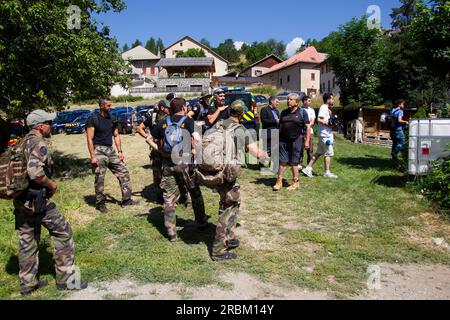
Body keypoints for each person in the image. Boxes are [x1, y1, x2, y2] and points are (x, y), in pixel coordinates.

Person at [14, 110, 87, 296]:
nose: (51, 126)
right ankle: (67, 281)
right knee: (63, 232)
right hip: (37, 199)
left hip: (21, 199)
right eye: (48, 122)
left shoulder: (22, 142)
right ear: (40, 126)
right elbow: (35, 173)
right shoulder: (38, 143)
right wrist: (52, 184)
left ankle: (27, 284)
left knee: (28, 239)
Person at [200, 100, 268, 261]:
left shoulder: (218, 125)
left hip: (215, 170)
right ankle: (218, 250)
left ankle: (229, 238)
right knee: (228, 207)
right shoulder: (240, 129)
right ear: (242, 114)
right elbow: (256, 153)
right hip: (227, 174)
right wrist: (266, 155)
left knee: (231, 202)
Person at [146, 98, 208, 242]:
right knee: (195, 192)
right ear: (184, 108)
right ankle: (201, 222)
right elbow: (197, 140)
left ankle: (171, 232)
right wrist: (194, 152)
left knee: (169, 198)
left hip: (167, 164)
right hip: (185, 162)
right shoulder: (188, 121)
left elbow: (148, 139)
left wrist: (161, 152)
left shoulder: (163, 122)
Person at [86, 97, 138, 213]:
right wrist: (93, 156)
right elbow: (89, 139)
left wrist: (120, 152)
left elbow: (116, 135)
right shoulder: (93, 119)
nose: (110, 107)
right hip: (98, 150)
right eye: (108, 105)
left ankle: (126, 200)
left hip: (111, 150)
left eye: (110, 105)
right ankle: (100, 203)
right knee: (100, 178)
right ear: (101, 106)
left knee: (123, 171)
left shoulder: (112, 119)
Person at [273, 93, 311, 192]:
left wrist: (307, 141)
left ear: (297, 102)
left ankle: (295, 181)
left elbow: (307, 127)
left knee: (294, 161)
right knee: (282, 161)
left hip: (296, 140)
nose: (288, 101)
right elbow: (280, 126)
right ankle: (279, 181)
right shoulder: (284, 112)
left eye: (291, 99)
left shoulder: (302, 112)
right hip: (283, 140)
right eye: (288, 99)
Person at [302, 93, 338, 179]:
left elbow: (326, 120)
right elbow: (319, 119)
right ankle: (327, 172)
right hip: (325, 135)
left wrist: (332, 121)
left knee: (318, 153)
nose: (333, 100)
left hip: (325, 134)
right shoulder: (324, 107)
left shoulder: (327, 108)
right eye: (332, 99)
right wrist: (328, 123)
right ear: (328, 99)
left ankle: (308, 168)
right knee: (328, 153)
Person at [299, 96, 316, 169]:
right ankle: (299, 164)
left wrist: (307, 126)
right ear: (304, 101)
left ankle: (309, 166)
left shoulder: (312, 110)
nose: (310, 102)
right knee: (300, 148)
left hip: (309, 131)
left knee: (310, 149)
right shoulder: (299, 110)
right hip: (300, 132)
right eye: (309, 101)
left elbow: (312, 121)